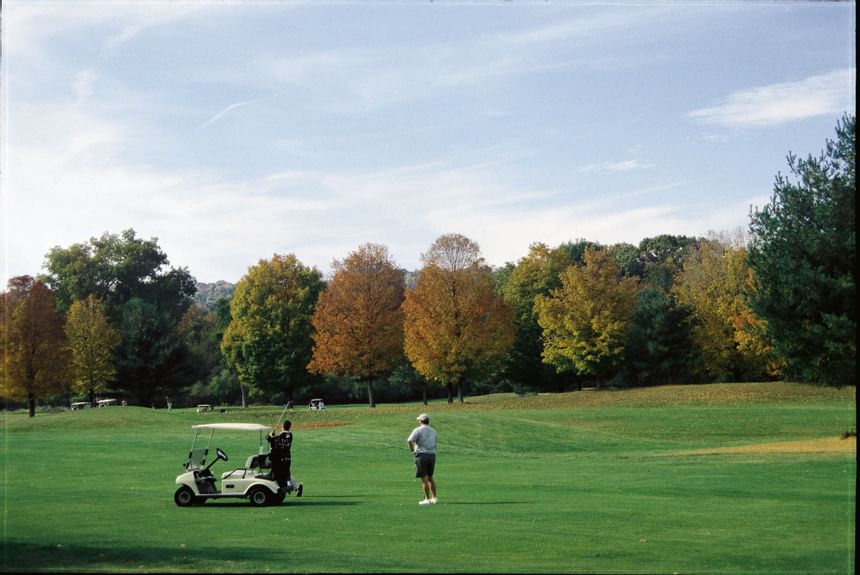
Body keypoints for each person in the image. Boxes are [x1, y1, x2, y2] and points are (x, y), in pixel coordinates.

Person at [407, 413, 438, 505]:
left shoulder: (418, 430)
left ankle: (427, 499)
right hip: (432, 455)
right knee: (430, 477)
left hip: (422, 455)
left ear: (421, 421)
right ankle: (434, 498)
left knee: (424, 478)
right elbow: (435, 443)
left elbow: (410, 440)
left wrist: (412, 450)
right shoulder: (433, 431)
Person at [267, 419, 302, 496]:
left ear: (283, 426)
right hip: (288, 458)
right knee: (286, 474)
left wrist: (270, 436)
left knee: (279, 474)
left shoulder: (281, 435)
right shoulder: (290, 435)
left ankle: (286, 488)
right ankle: (296, 487)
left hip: (280, 459)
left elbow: (272, 442)